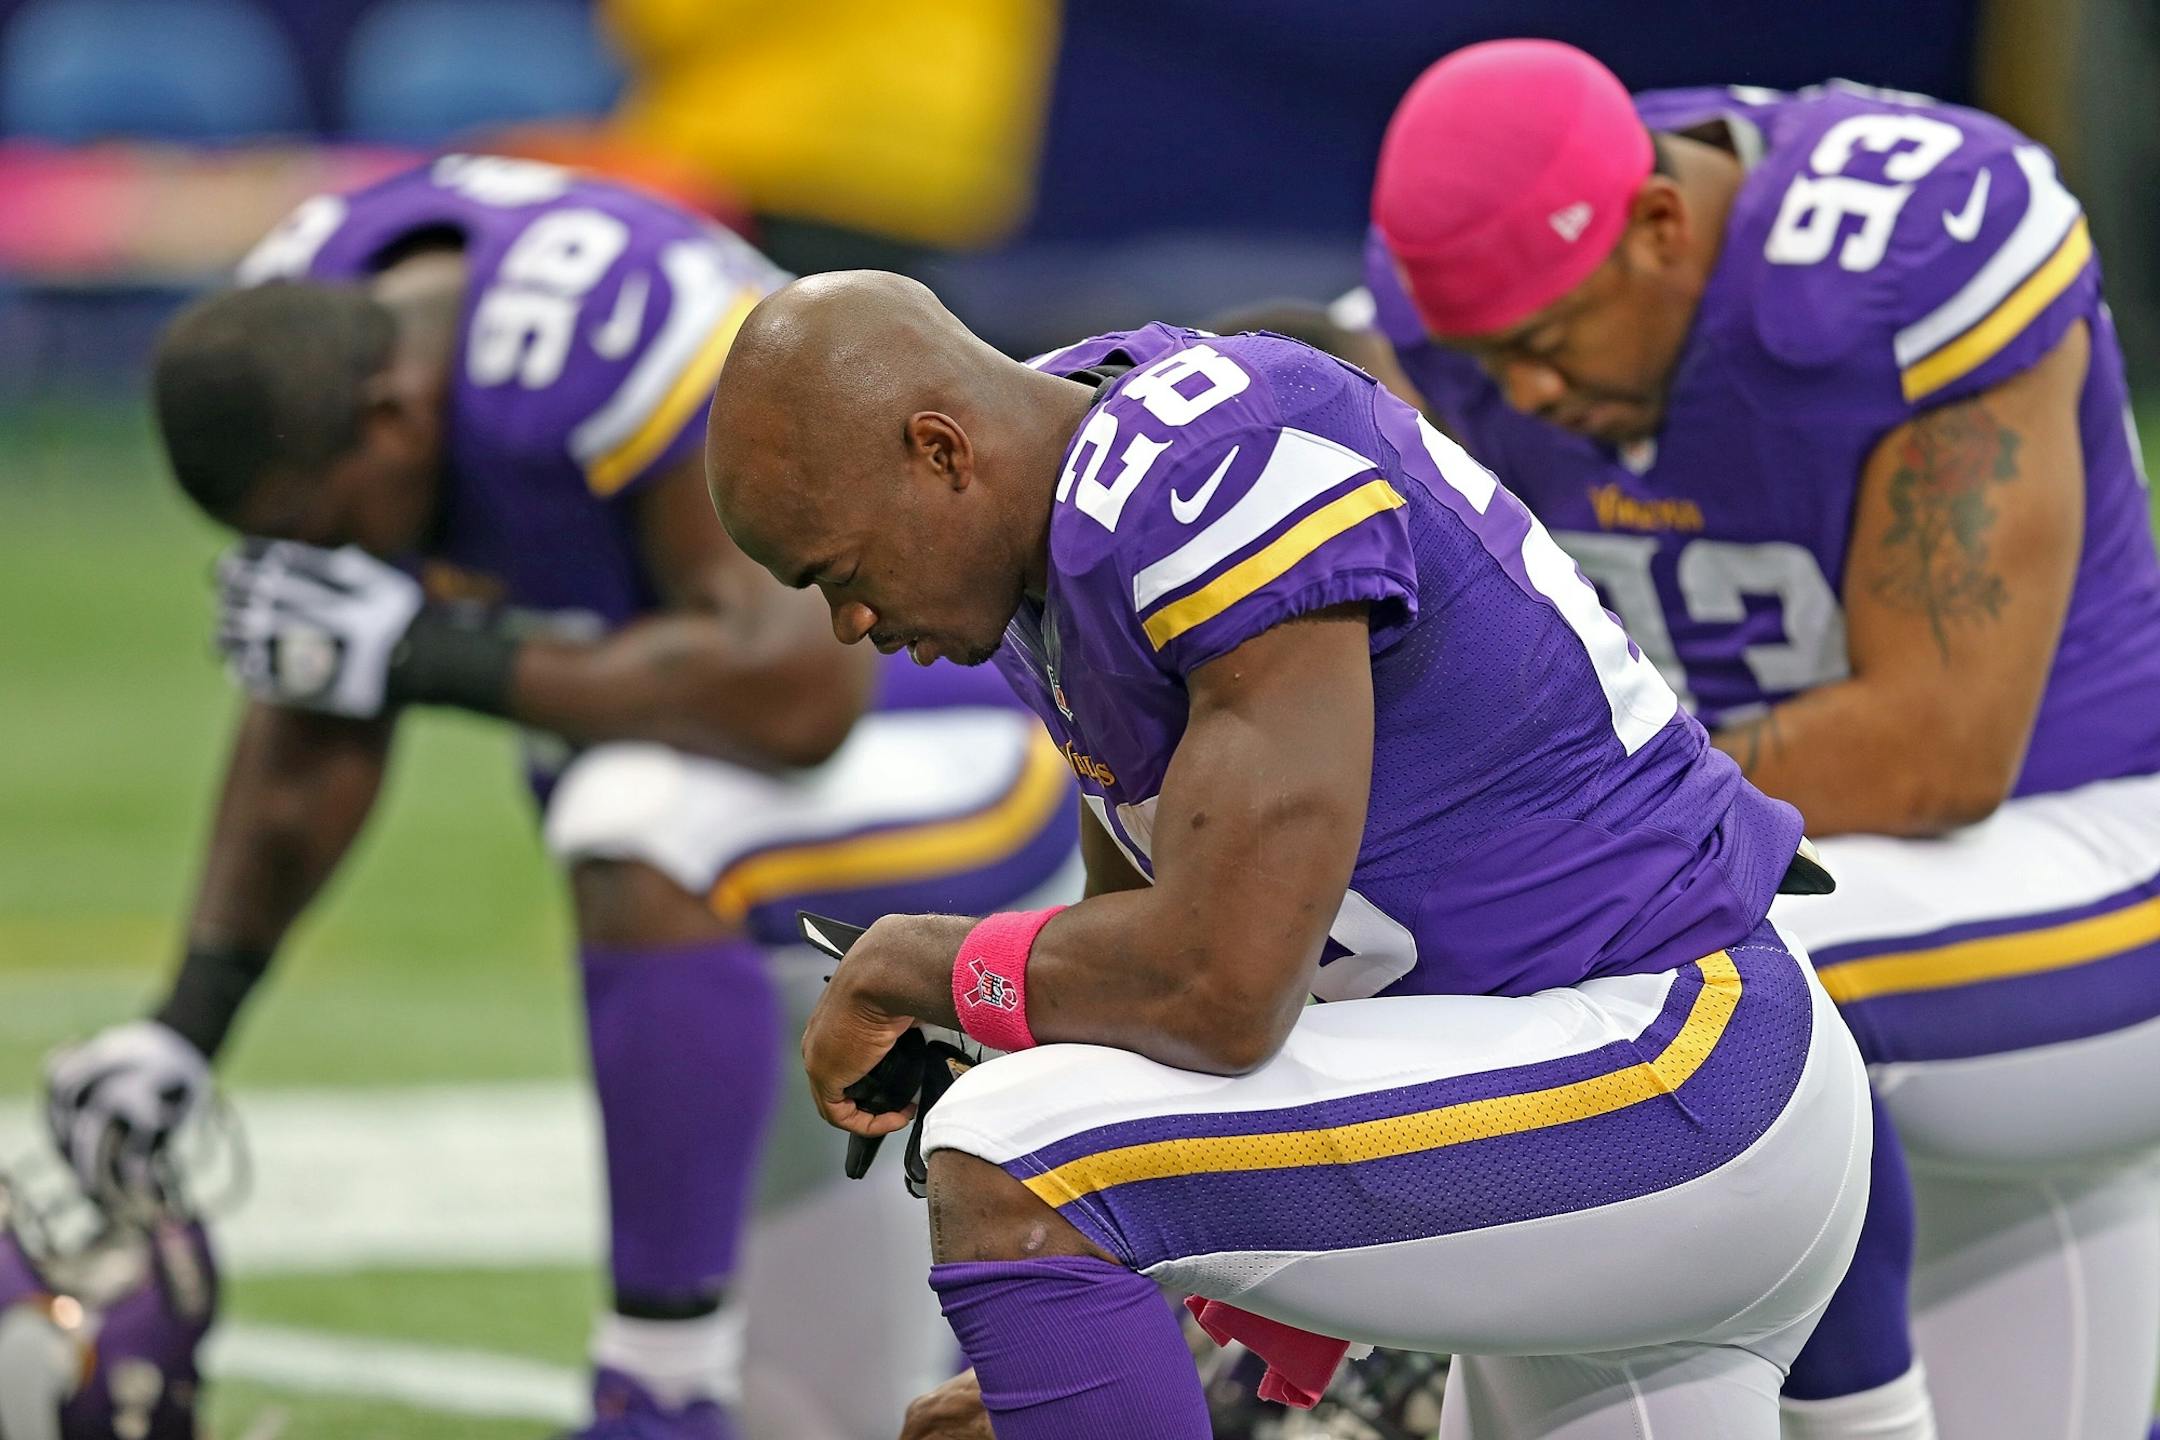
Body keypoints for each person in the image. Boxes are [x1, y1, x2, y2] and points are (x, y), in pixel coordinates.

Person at [703, 269, 1873, 1439]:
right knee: (1039, 1143)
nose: (848, 624)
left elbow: (1220, 989)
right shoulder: (1049, 522)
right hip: (1594, 1090)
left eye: (839, 572)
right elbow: (1142, 992)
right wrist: (1085, 1349)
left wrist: (916, 963)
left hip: (1676, 1058)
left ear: (942, 453)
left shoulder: (1207, 470)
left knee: (1012, 1151)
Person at [39, 156, 1079, 1440]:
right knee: (826, 1414)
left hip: (948, 715)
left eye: (333, 522)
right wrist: (187, 1026)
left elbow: (796, 692)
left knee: (629, 809)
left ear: (392, 418)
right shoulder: (309, 337)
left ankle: (656, 1385)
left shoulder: (596, 356)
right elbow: (321, 689)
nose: (340, 553)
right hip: (741, 818)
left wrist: (431, 654)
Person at [1362, 39, 2160, 1440]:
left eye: (1548, 344)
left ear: (1663, 228)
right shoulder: (1452, 318)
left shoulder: (1895, 260)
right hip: (1815, 883)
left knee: (1728, 980)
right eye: (1492, 358)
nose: (1526, 397)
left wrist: (1561, 828)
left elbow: (1932, 753)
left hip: (2088, 844)